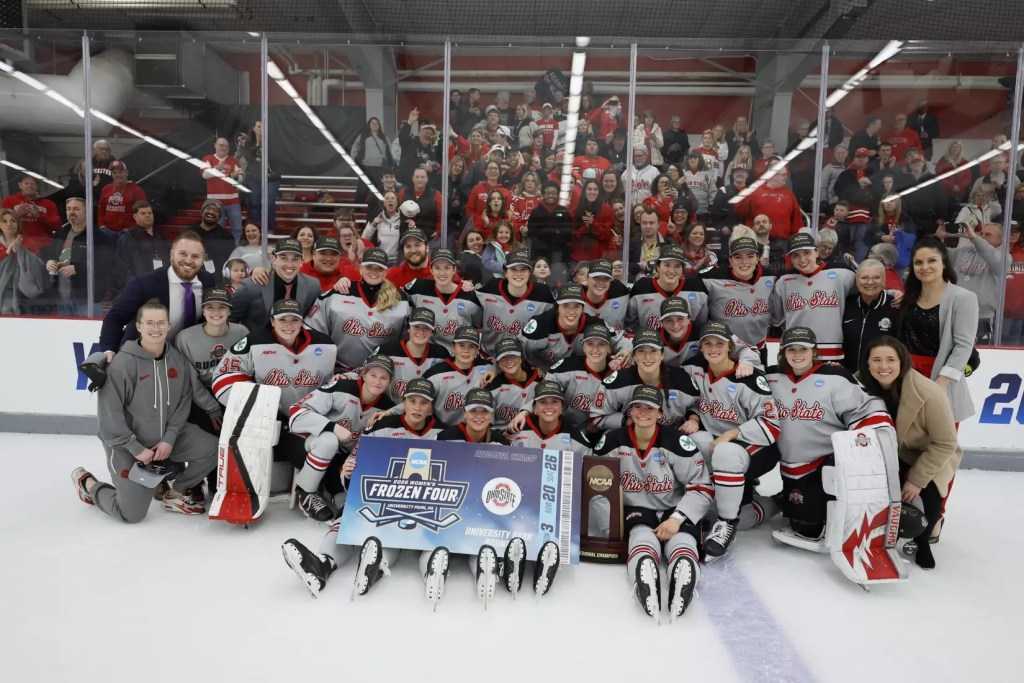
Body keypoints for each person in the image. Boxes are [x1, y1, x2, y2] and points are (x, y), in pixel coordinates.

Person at [280, 377, 445, 600]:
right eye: (412, 401)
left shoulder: (444, 434)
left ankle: (390, 566)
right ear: (403, 402)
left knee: (420, 527)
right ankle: (323, 563)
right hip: (385, 497)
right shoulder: (381, 427)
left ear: (431, 407)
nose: (417, 407)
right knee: (350, 509)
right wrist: (347, 473)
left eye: (423, 403)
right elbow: (355, 465)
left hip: (426, 503)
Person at [72, 300, 221, 522]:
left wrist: (169, 439)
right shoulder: (122, 364)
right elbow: (109, 416)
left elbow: (183, 403)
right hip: (127, 446)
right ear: (139, 326)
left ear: (169, 326)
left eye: (161, 323)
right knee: (131, 514)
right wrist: (136, 448)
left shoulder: (177, 360)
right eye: (149, 323)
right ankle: (88, 484)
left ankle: (176, 492)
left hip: (165, 442)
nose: (156, 328)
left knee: (214, 449)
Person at [592, 384, 711, 621]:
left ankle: (683, 571)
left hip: (673, 508)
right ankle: (644, 572)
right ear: (630, 411)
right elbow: (597, 487)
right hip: (635, 511)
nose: (643, 412)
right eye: (637, 407)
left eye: (650, 408)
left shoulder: (678, 443)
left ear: (660, 414)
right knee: (641, 537)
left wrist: (677, 519)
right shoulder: (611, 441)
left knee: (684, 541)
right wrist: (610, 527)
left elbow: (701, 486)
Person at [766, 327, 894, 544]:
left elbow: (868, 406)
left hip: (822, 463)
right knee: (800, 524)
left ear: (814, 351)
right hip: (788, 464)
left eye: (803, 349)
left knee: (808, 529)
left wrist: (873, 432)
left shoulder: (835, 376)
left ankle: (830, 506)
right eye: (791, 349)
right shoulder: (771, 377)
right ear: (783, 352)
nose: (797, 355)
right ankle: (783, 500)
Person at [860, 336, 962, 569]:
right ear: (867, 363)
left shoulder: (928, 392)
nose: (883, 366)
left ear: (902, 362)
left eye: (890, 360)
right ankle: (879, 531)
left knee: (928, 500)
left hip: (926, 454)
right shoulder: (859, 384)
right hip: (888, 452)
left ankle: (922, 541)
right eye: (876, 360)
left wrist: (916, 481)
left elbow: (945, 443)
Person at [683, 322, 779, 561]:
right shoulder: (695, 370)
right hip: (721, 445)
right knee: (692, 442)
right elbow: (693, 401)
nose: (713, 348)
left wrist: (731, 434)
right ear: (701, 347)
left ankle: (728, 523)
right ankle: (703, 503)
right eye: (708, 343)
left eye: (719, 343)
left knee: (725, 453)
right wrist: (693, 416)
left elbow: (771, 424)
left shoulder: (748, 377)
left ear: (729, 347)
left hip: (757, 444)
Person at [288, 354, 396, 521]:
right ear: (364, 374)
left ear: (389, 381)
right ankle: (306, 493)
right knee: (329, 441)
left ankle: (339, 502)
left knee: (346, 496)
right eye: (373, 375)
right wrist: (332, 427)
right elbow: (296, 413)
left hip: (341, 457)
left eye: (384, 377)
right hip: (305, 445)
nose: (377, 381)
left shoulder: (387, 409)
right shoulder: (341, 387)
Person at [896, 236, 978, 425]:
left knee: (939, 447)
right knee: (905, 446)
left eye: (931, 260)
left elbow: (963, 345)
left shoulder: (963, 298)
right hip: (906, 377)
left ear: (944, 263)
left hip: (939, 375)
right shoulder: (907, 297)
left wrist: (941, 382)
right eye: (918, 262)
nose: (924, 267)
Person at [98, 231, 215, 355]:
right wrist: (109, 350)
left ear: (203, 260)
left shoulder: (207, 281)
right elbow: (115, 318)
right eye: (183, 254)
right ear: (171, 254)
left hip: (186, 357)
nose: (188, 261)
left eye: (195, 256)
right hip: (142, 356)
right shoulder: (145, 283)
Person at [306, 247, 408, 371]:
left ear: (385, 272)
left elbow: (406, 342)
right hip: (338, 370)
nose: (374, 272)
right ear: (361, 268)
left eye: (379, 268)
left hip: (379, 373)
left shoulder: (401, 300)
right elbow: (313, 331)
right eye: (369, 266)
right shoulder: (338, 293)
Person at [682, 236, 775, 361]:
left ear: (757, 258)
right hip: (723, 352)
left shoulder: (772, 278)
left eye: (750, 256)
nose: (744, 261)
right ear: (730, 260)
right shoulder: (711, 278)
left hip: (758, 349)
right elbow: (681, 282)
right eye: (738, 257)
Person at [590, 330, 701, 432]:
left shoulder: (681, 379)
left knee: (700, 439)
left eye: (653, 351)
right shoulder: (618, 381)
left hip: (671, 439)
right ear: (634, 356)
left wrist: (693, 419)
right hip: (629, 437)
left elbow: (698, 404)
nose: (647, 357)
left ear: (662, 355)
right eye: (641, 351)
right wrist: (626, 421)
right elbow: (597, 416)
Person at [769, 232, 857, 362]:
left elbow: (870, 288)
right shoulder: (783, 280)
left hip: (831, 352)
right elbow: (775, 319)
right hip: (795, 353)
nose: (802, 259)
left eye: (807, 253)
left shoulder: (843, 273)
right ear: (790, 258)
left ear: (816, 252)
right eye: (796, 255)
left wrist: (893, 294)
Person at [173, 286, 247, 435]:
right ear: (203, 311)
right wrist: (211, 408)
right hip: (201, 394)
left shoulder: (242, 332)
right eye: (210, 307)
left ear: (229, 311)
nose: (216, 312)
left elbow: (248, 371)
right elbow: (190, 381)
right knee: (212, 434)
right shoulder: (185, 338)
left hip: (233, 391)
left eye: (222, 307)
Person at [521, 283, 632, 372]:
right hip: (544, 377)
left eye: (577, 306)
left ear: (583, 308)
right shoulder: (540, 325)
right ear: (557, 308)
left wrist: (625, 352)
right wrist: (535, 367)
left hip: (581, 380)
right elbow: (521, 350)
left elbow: (620, 341)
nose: (571, 312)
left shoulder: (594, 324)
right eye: (565, 306)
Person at [934, 221, 1003, 344]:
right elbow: (936, 255)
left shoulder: (1003, 257)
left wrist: (975, 238)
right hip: (954, 314)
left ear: (1000, 240)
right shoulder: (963, 251)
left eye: (988, 235)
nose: (982, 237)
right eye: (981, 234)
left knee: (979, 358)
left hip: (981, 318)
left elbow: (993, 259)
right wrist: (938, 237)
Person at [476, 250, 555, 356]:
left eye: (523, 269)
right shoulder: (490, 288)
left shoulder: (544, 294)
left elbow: (553, 330)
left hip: (524, 361)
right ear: (505, 272)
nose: (518, 274)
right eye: (513, 269)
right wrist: (466, 286)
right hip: (489, 357)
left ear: (529, 272)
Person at [403, 248, 482, 353]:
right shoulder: (417, 287)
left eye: (447, 268)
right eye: (437, 268)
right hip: (428, 355)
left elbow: (480, 327)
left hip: (459, 357)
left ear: (454, 270)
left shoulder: (470, 296)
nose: (442, 273)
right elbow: (399, 299)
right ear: (431, 270)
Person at [230, 238, 321, 330]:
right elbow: (230, 320)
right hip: (258, 342)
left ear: (302, 261)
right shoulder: (251, 286)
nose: (289, 265)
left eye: (295, 259)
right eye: (283, 258)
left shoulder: (313, 286)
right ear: (274, 259)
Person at [655, 296, 761, 369]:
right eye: (669, 320)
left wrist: (746, 363)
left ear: (689, 319)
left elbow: (749, 350)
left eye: (680, 319)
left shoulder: (709, 331)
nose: (676, 325)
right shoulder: (652, 339)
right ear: (662, 323)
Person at [626, 244, 709, 333]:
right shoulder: (641, 288)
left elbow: (702, 324)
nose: (671, 270)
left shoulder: (697, 288)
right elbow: (630, 324)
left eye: (677, 266)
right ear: (658, 267)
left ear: (683, 270)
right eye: (667, 265)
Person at [374, 306, 449, 401]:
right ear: (408, 328)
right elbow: (364, 372)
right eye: (416, 326)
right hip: (388, 411)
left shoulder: (441, 354)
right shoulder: (386, 350)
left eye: (426, 328)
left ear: (432, 332)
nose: (421, 332)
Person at [841, 259, 899, 372]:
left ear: (884, 280)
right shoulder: (847, 304)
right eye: (864, 277)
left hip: (881, 378)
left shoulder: (896, 306)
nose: (870, 282)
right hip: (849, 377)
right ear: (857, 281)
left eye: (876, 277)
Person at [45, 197, 99, 316]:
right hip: (62, 298)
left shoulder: (97, 236)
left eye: (76, 209)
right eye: (68, 209)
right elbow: (51, 254)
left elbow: (105, 264)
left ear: (86, 212)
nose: (71, 212)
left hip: (86, 300)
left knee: (87, 334)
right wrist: (49, 262)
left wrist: (78, 269)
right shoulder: (60, 234)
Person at [111, 201, 168, 296]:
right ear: (135, 217)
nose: (147, 216)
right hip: (140, 288)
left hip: (161, 285)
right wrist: (135, 286)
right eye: (143, 213)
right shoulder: (128, 236)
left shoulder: (160, 234)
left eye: (150, 213)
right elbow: (122, 267)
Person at [833, 148, 879, 262]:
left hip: (867, 217)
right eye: (858, 157)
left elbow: (881, 192)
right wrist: (857, 184)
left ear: (867, 159)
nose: (861, 159)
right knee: (845, 244)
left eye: (863, 157)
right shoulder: (846, 174)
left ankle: (859, 268)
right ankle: (845, 268)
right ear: (854, 159)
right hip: (847, 218)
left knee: (862, 244)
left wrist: (872, 184)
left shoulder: (874, 173)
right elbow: (838, 190)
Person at [735, 167, 803, 242]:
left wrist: (797, 238)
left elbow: (797, 219)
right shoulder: (754, 191)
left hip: (782, 241)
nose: (786, 177)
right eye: (783, 175)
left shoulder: (789, 194)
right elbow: (739, 211)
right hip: (756, 239)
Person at [0, 208, 47, 314]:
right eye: (4, 221)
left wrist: (20, 251)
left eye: (13, 221)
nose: (9, 224)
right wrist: (8, 253)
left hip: (24, 296)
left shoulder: (29, 242)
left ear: (18, 224)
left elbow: (37, 265)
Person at [2, 174, 61, 256]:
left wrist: (39, 216)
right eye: (26, 183)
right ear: (20, 185)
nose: (30, 186)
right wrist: (16, 216)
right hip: (17, 246)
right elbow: (2, 223)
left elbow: (57, 227)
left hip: (44, 248)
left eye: (33, 184)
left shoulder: (49, 204)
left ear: (37, 187)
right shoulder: (8, 200)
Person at [240, 120, 280, 234]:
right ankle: (256, 229)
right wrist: (258, 142)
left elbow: (276, 158)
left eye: (263, 127)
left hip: (271, 177)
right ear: (253, 128)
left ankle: (270, 229)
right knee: (255, 203)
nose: (261, 129)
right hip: (255, 178)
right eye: (258, 126)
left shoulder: (273, 142)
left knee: (269, 203)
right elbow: (250, 158)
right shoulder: (248, 143)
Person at [200, 138, 244, 241]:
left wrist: (232, 175)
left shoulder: (234, 160)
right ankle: (218, 253)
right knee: (217, 229)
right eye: (221, 145)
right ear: (215, 145)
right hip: (215, 203)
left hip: (233, 202)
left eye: (226, 146)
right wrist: (216, 169)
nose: (224, 148)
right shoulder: (207, 159)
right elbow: (204, 175)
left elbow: (241, 179)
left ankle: (235, 253)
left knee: (237, 230)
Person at [865, 194, 916, 272]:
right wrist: (881, 238)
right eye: (886, 201)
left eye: (891, 201)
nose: (888, 203)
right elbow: (866, 239)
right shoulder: (876, 219)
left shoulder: (905, 219)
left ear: (897, 203)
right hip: (878, 259)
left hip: (898, 258)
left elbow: (911, 239)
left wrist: (897, 238)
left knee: (895, 282)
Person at [190, 199, 235, 281]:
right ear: (201, 212)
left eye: (216, 210)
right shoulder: (188, 233)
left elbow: (230, 263)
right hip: (191, 278)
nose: (211, 212)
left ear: (220, 216)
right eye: (208, 208)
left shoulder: (226, 237)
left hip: (216, 282)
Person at [97, 161, 148, 234]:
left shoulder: (137, 190)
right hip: (107, 230)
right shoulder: (106, 188)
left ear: (126, 173)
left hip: (128, 232)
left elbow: (144, 212)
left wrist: (133, 229)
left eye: (120, 172)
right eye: (114, 173)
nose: (117, 175)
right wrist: (101, 225)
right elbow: (101, 208)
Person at [397, 112, 443, 190]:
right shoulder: (410, 142)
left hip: (421, 188)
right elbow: (402, 136)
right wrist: (409, 122)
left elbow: (436, 166)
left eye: (431, 134)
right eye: (426, 132)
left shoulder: (432, 151)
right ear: (420, 132)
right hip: (404, 186)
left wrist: (431, 169)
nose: (428, 135)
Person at [362, 190, 401, 265]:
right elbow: (364, 239)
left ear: (397, 202)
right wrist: (373, 225)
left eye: (393, 198)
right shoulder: (375, 218)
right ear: (383, 203)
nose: (390, 200)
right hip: (380, 259)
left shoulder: (403, 219)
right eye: (387, 198)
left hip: (398, 260)